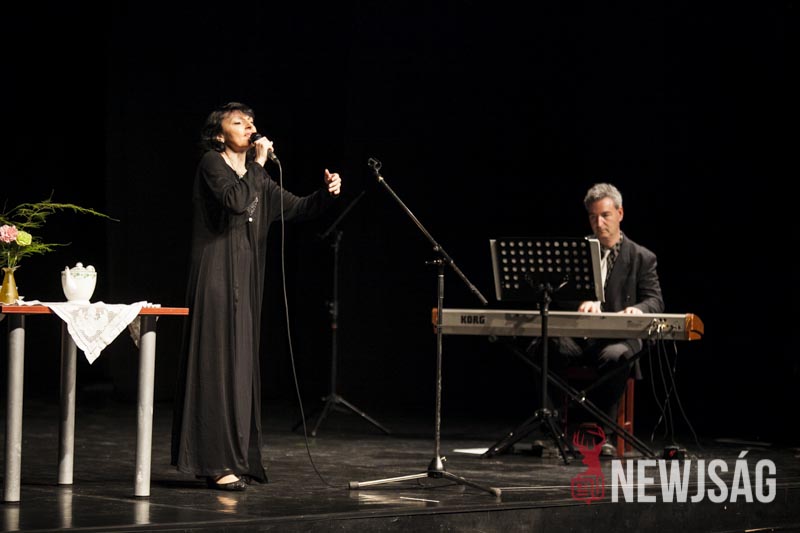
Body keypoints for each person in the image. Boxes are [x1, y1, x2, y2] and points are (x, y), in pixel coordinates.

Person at [171, 102, 342, 491]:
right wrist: (260, 163)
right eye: (239, 123)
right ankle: (215, 463)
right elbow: (234, 201)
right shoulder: (212, 164)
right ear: (219, 135)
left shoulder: (257, 177)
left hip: (245, 278)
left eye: (251, 122)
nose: (250, 127)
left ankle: (239, 457)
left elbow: (297, 208)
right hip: (215, 275)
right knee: (216, 363)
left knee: (240, 364)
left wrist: (327, 194)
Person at [552, 182, 664, 456]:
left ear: (620, 213)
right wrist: (580, 302)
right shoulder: (577, 253)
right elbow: (558, 296)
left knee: (616, 356)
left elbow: (655, 301)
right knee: (545, 346)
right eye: (593, 217)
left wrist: (639, 309)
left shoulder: (641, 257)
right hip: (581, 338)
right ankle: (552, 429)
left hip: (617, 339)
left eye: (605, 215)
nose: (599, 223)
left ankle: (606, 433)